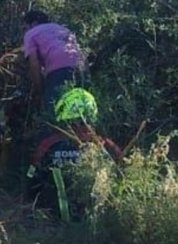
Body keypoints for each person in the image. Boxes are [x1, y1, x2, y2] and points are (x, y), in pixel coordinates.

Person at [26, 87, 122, 221]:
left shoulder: (47, 145)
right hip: (95, 223)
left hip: (53, 220)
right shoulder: (105, 145)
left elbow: (31, 179)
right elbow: (123, 171)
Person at [22, 9, 86, 120]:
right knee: (81, 109)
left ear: (33, 23)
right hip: (80, 68)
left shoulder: (31, 33)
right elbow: (79, 51)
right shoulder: (63, 29)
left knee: (53, 112)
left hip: (58, 71)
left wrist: (39, 89)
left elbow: (34, 64)